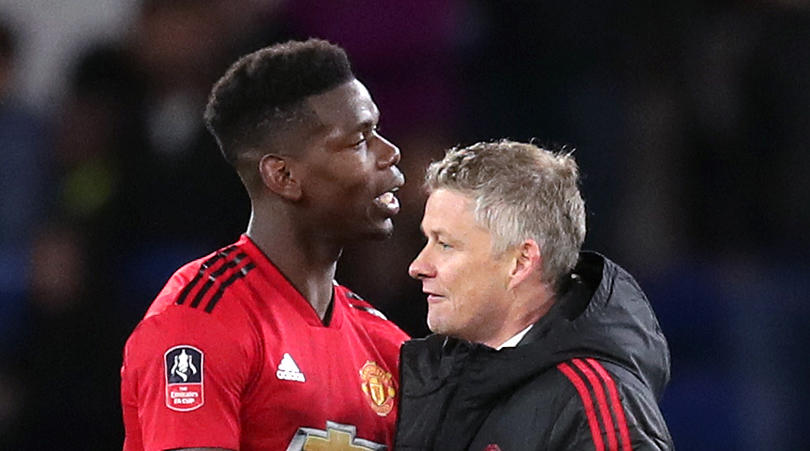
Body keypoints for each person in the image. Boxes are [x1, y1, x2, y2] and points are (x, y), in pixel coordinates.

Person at [120, 39, 409, 451]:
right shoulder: (198, 321)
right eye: (360, 140)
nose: (390, 153)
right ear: (283, 176)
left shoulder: (386, 344)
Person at [396, 140, 673, 450]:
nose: (418, 266)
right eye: (427, 240)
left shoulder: (591, 404)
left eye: (445, 244)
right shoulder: (424, 374)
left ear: (521, 262)